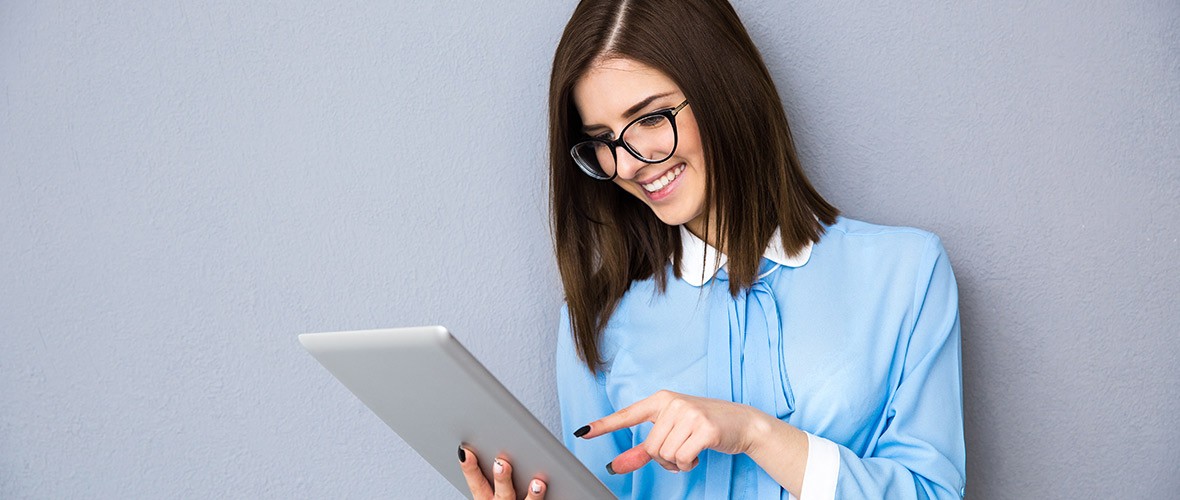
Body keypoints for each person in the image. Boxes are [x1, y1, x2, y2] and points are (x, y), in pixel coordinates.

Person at [459, 0, 966, 498]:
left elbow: (932, 492)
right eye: (604, 140)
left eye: (652, 118)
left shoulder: (907, 274)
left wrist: (755, 434)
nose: (630, 164)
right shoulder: (597, 318)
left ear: (725, 88)